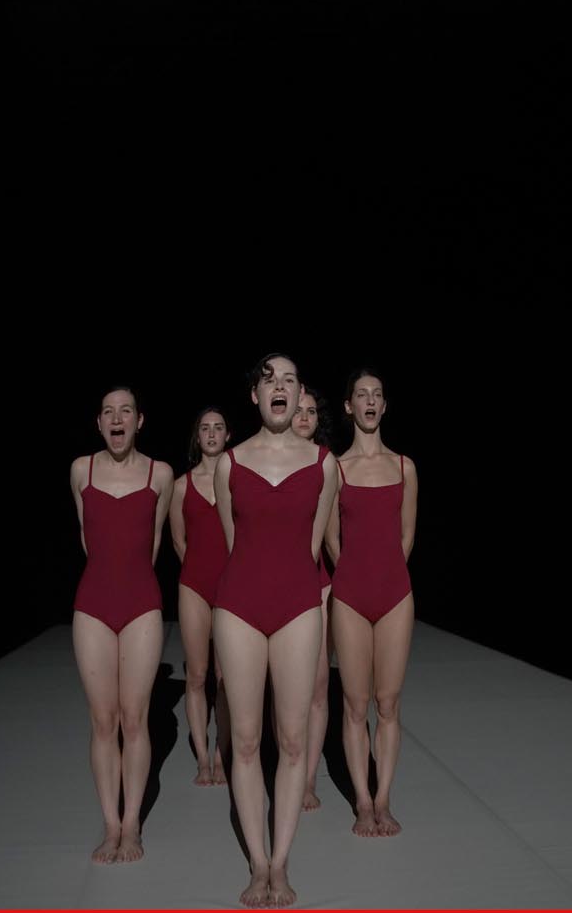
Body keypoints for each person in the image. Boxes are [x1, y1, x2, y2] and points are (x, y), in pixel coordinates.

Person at [213, 354, 340, 908]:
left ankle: (282, 862)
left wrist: (293, 591)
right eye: (270, 381)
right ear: (256, 396)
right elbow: (233, 543)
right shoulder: (230, 464)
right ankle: (257, 863)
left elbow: (313, 547)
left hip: (298, 607)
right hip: (238, 607)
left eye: (290, 380)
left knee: (291, 741)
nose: (280, 388)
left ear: (299, 392)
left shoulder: (324, 465)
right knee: (245, 742)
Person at [69, 386, 175, 864]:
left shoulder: (160, 475)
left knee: (135, 719)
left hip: (141, 603)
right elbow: (87, 539)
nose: (117, 418)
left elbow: (153, 543)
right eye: (108, 412)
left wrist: (129, 582)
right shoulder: (81, 470)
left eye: (125, 411)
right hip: (93, 602)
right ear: (99, 423)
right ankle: (109, 825)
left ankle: (131, 825)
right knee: (102, 720)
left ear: (139, 421)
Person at [325, 369, 417, 838]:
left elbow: (406, 537)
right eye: (361, 394)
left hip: (395, 594)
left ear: (384, 406)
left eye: (377, 395)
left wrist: (384, 575)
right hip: (350, 595)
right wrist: (355, 576)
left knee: (389, 702)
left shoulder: (404, 467)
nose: (369, 401)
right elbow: (330, 539)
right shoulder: (336, 469)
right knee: (355, 703)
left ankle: (384, 799)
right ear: (349, 406)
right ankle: (362, 801)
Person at [168, 407, 233, 787]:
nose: (211, 434)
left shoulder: (236, 481)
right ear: (197, 436)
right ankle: (203, 760)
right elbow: (178, 541)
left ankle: (223, 755)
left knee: (225, 677)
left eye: (218, 428)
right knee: (196, 674)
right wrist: (197, 570)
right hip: (194, 584)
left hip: (230, 586)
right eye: (205, 428)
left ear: (228, 435)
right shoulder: (181, 486)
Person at [291, 385, 334, 812]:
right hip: (275, 587)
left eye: (311, 411)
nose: (304, 417)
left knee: (318, 684)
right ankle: (287, 770)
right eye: (298, 410)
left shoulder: (327, 464)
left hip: (318, 583)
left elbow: (332, 533)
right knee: (286, 690)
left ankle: (307, 779)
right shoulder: (264, 460)